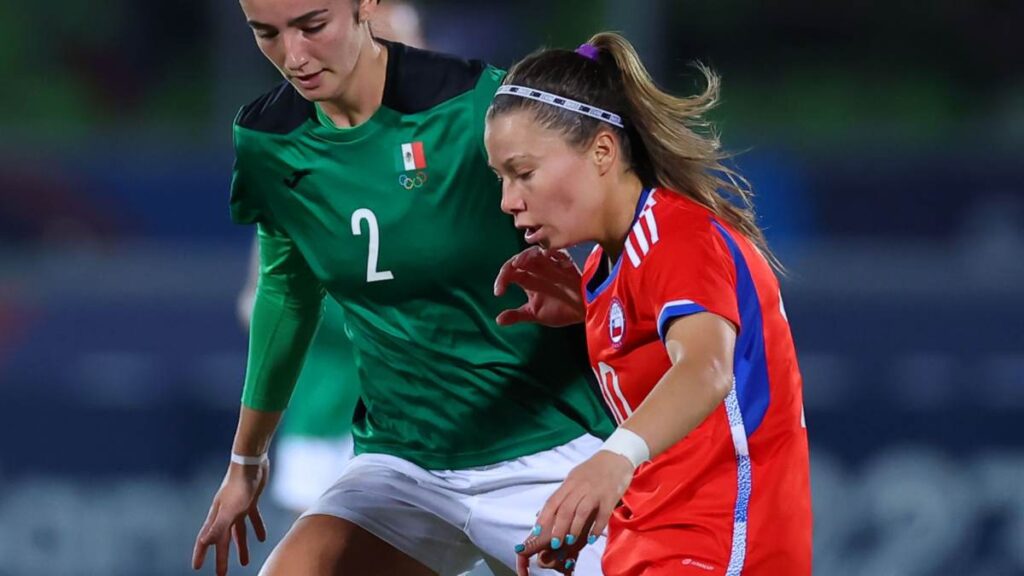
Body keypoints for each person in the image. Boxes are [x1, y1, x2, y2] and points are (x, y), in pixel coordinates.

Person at [190, 1, 615, 575]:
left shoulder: (474, 105)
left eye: (313, 26)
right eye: (266, 33)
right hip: (402, 467)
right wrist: (246, 458)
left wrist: (591, 294)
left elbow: (618, 219)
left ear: (366, 4)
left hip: (548, 450)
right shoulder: (270, 140)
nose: (293, 56)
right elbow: (287, 293)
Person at [485, 32, 812, 576]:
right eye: (501, 178)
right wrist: (589, 311)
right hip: (648, 545)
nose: (508, 200)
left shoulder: (679, 236)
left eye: (523, 172)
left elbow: (707, 369)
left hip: (722, 548)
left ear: (602, 151)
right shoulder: (605, 266)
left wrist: (610, 462)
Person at [234, 0, 426, 518]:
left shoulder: (447, 145)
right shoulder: (298, 162)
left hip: (429, 420)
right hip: (326, 416)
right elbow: (259, 302)